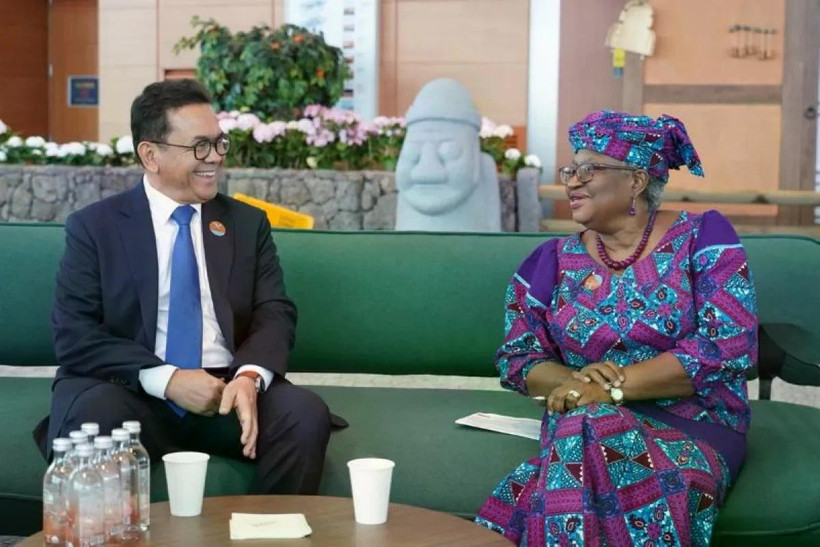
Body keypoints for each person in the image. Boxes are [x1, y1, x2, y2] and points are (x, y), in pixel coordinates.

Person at [33, 79, 333, 495]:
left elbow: (274, 312)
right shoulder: (95, 227)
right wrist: (169, 379)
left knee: (304, 413)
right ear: (150, 155)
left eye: (219, 143)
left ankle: (271, 534)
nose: (214, 158)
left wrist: (248, 377)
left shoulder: (246, 224)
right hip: (132, 390)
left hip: (226, 390)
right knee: (94, 416)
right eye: (199, 147)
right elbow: (75, 335)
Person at [475, 110, 758, 546]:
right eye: (570, 170)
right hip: (581, 417)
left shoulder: (705, 239)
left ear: (636, 180)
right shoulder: (549, 262)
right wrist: (577, 384)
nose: (571, 181)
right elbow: (517, 359)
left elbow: (727, 347)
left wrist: (613, 389)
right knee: (588, 425)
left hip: (693, 424)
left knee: (559, 462)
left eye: (588, 170)